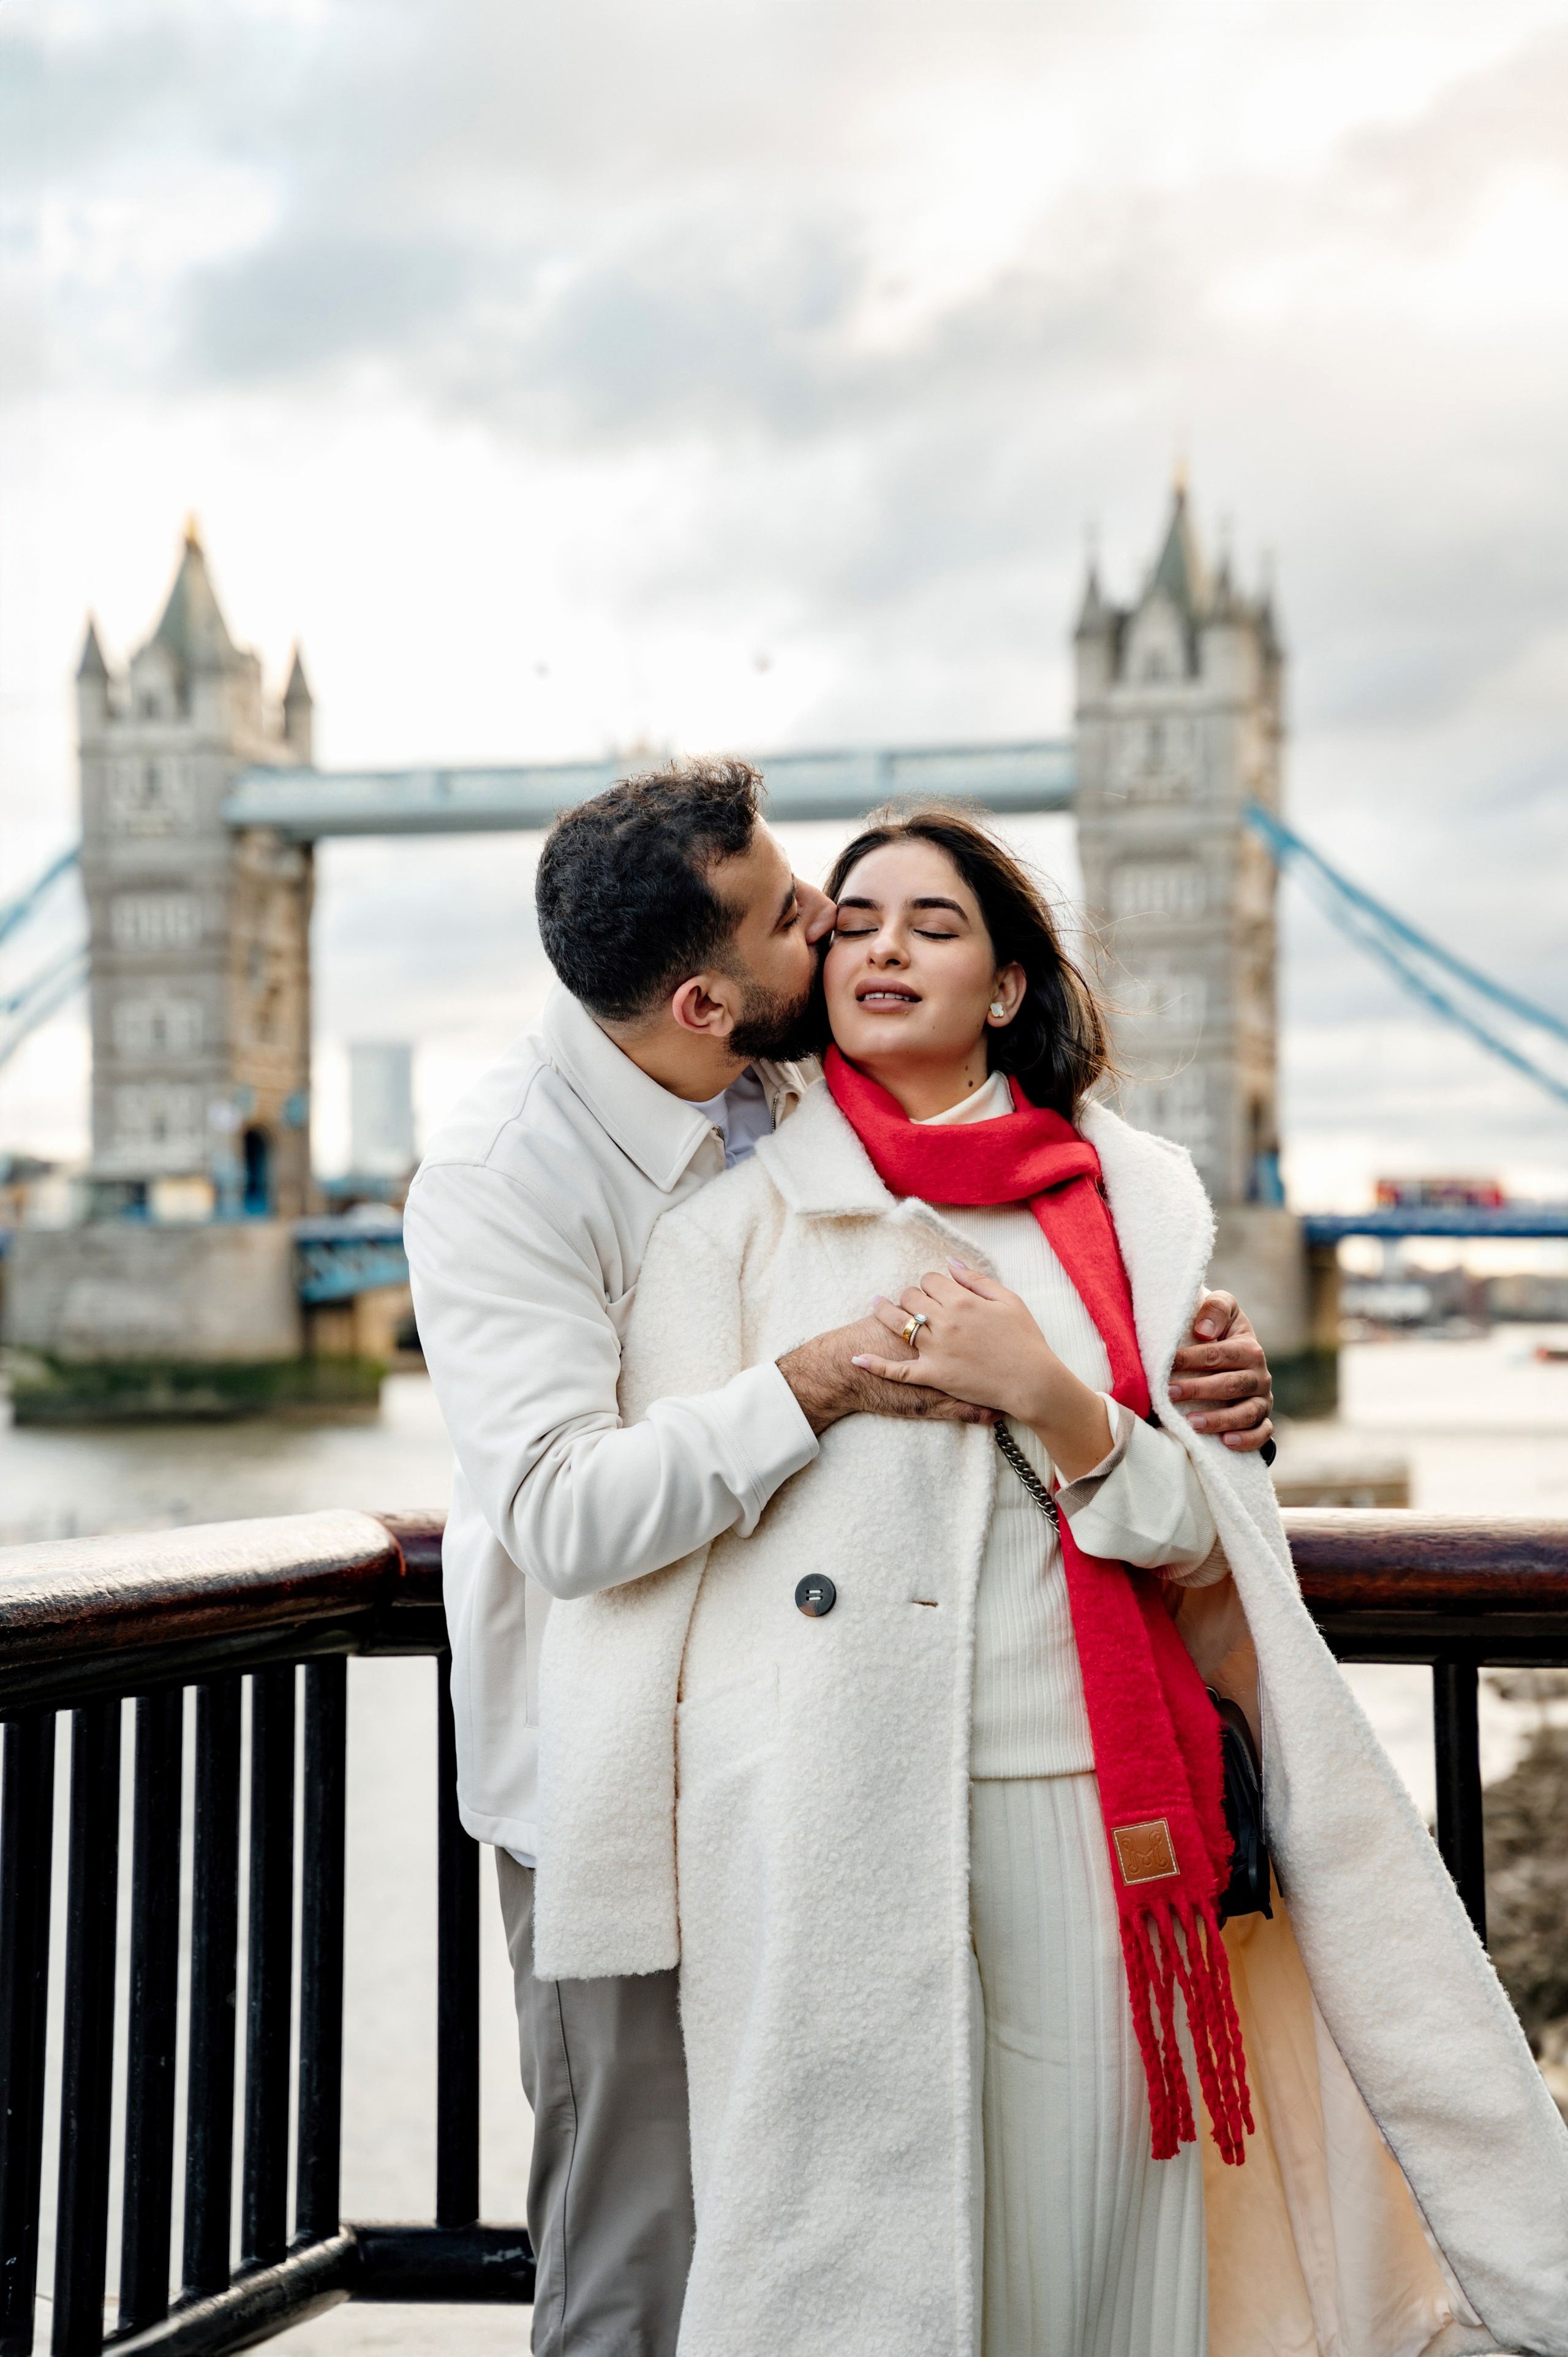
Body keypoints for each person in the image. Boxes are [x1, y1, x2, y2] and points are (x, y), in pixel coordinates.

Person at [536, 807, 1568, 2357]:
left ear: (1009, 986)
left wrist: (1053, 1396)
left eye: (934, 926)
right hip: (835, 1821)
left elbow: (1197, 1533)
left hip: (1097, 1810)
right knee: (874, 2275)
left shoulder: (1128, 1210)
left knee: (1101, 2259)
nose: (881, 945)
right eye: (857, 919)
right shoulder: (723, 1230)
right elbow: (634, 1560)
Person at [405, 764, 1279, 2357]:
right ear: (700, 1001)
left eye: (851, 906)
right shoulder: (501, 1176)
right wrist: (809, 1383)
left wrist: (1184, 1360)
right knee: (638, 2248)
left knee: (869, 2233)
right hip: (605, 1767)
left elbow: (1031, 1204)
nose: (837, 936)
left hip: (866, 1771)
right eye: (809, 916)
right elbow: (564, 1515)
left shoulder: (799, 1081)